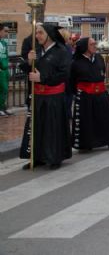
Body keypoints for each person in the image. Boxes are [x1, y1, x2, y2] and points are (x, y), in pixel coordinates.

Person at [20, 24, 72, 170]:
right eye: (36, 33)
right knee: (37, 127)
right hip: (37, 96)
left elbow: (64, 74)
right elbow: (24, 69)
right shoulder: (36, 51)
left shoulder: (61, 51)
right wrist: (29, 61)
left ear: (49, 34)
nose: (37, 36)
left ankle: (55, 157)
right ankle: (36, 157)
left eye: (40, 33)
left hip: (53, 96)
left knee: (53, 128)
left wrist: (42, 77)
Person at [69, 37, 109, 151]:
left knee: (108, 118)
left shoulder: (99, 58)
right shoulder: (76, 62)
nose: (95, 46)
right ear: (85, 47)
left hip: (101, 93)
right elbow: (71, 81)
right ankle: (86, 144)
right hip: (85, 95)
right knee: (86, 121)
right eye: (92, 44)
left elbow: (102, 72)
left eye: (95, 43)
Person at [0, 24, 10, 116]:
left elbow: (6, 56)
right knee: (3, 89)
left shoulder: (4, 43)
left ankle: (3, 107)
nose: (7, 33)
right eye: (5, 31)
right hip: (1, 70)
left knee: (5, 90)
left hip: (5, 69)